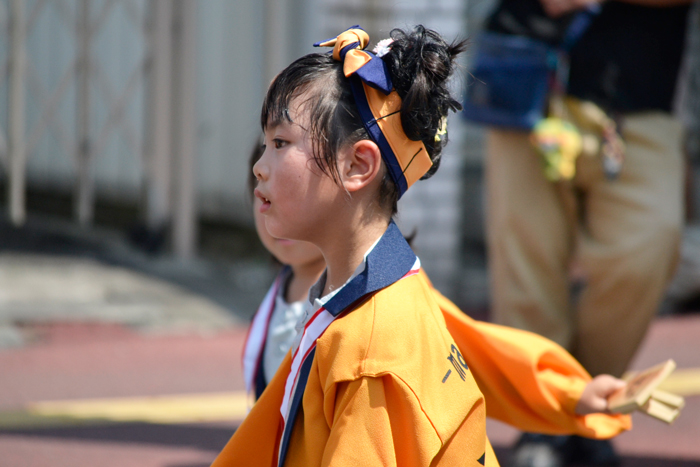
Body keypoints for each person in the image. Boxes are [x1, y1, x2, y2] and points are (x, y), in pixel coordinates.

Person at [213, 26, 628, 466]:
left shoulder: (370, 348)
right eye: (265, 145)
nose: (259, 168)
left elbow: (484, 352)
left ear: (358, 164)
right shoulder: (367, 297)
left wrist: (569, 393)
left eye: (280, 143)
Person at [243, 140, 630, 440]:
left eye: (291, 189)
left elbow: (480, 354)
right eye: (263, 198)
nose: (271, 205)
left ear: (355, 176)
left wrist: (571, 394)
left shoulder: (384, 294)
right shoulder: (275, 299)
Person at [481, 0, 692, 465]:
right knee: (527, 262)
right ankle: (545, 418)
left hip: (639, 93)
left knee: (647, 245)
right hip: (526, 83)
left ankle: (590, 400)